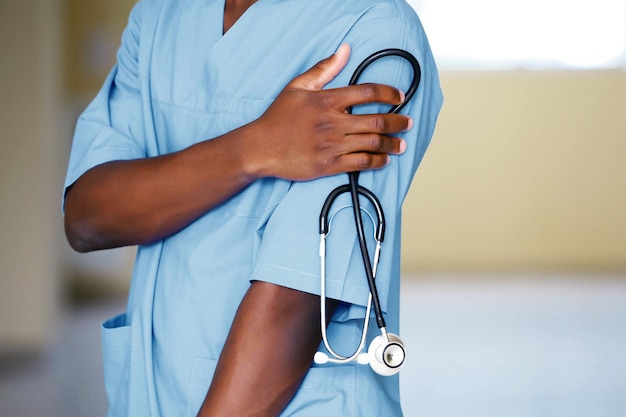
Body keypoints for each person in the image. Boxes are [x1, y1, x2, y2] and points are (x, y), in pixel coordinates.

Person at [63, 0, 442, 415]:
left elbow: (295, 290)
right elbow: (87, 218)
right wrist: (255, 147)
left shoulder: (375, 27)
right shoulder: (159, 15)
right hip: (155, 391)